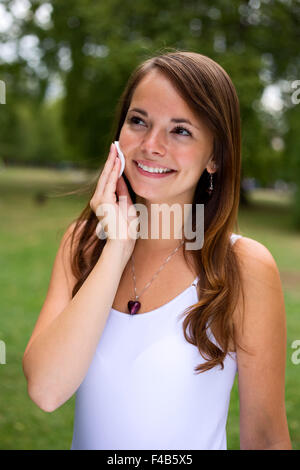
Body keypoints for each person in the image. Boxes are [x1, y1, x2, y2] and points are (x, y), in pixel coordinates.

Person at [22, 51, 292, 450]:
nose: (151, 145)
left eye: (180, 130)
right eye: (138, 121)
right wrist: (116, 247)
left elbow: (267, 439)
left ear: (215, 156)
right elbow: (46, 390)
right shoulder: (82, 244)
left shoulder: (242, 267)